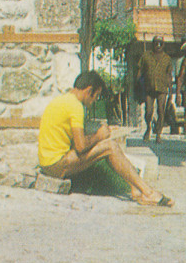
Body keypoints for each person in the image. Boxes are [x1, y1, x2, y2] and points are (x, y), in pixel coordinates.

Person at [38, 70, 173, 207]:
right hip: (57, 166)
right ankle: (148, 193)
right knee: (110, 147)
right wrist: (99, 136)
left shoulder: (63, 100)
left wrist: (102, 133)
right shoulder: (76, 107)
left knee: (106, 145)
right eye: (95, 97)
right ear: (89, 90)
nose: (94, 101)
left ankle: (135, 189)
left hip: (47, 164)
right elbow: (80, 146)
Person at [135, 36, 173, 143]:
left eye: (160, 43)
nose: (158, 45)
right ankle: (148, 128)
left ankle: (158, 133)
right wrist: (137, 84)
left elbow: (169, 75)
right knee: (149, 111)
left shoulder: (167, 59)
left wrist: (170, 92)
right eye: (156, 43)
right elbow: (140, 71)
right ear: (153, 44)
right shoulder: (146, 56)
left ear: (163, 45)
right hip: (149, 87)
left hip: (162, 88)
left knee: (161, 111)